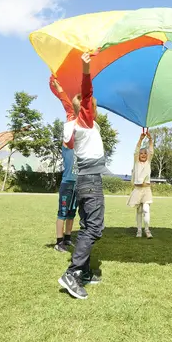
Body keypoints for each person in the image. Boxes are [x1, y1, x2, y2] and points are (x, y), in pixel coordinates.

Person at [58, 52, 105, 300]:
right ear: (89, 110)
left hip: (83, 179)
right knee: (95, 228)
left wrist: (66, 100)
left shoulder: (76, 125)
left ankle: (85, 271)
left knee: (87, 225)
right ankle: (73, 272)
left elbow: (72, 106)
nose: (94, 108)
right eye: (92, 106)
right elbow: (85, 94)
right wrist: (86, 66)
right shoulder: (86, 122)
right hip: (90, 180)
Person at [50, 77, 78, 253]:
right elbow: (68, 105)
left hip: (77, 184)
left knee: (72, 213)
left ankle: (68, 238)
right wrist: (60, 87)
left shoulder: (81, 144)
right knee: (62, 212)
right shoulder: (68, 139)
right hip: (67, 183)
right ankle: (58, 242)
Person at [127, 131, 154, 239]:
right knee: (139, 211)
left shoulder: (148, 162)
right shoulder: (136, 162)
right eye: (141, 153)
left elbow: (151, 151)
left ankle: (147, 230)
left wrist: (150, 139)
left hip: (147, 189)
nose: (143, 155)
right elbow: (136, 151)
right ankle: (139, 230)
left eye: (145, 154)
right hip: (138, 189)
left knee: (146, 209)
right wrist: (141, 139)